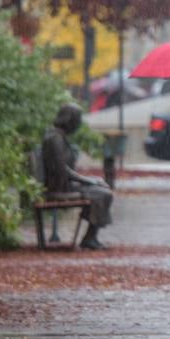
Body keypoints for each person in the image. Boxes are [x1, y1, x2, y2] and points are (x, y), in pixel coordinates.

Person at [41, 103, 114, 250]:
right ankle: (89, 238)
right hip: (59, 188)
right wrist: (89, 181)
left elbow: (65, 170)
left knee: (101, 190)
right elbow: (63, 171)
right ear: (69, 120)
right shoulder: (55, 139)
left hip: (62, 184)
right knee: (103, 193)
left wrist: (90, 181)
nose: (79, 124)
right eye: (78, 119)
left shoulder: (58, 136)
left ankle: (90, 237)